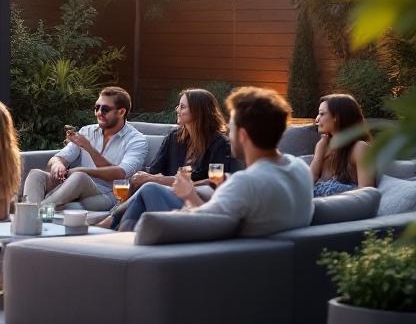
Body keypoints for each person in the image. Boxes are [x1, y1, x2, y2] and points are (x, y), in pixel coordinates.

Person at [122, 86, 314, 236]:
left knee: (150, 190)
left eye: (231, 129)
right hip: (262, 258)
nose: (228, 135)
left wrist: (189, 195)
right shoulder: (299, 168)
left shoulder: (246, 183)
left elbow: (200, 227)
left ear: (243, 135)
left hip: (214, 262)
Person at [101, 88, 237, 229]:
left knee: (149, 188)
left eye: (182, 106)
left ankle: (112, 221)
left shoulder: (219, 144)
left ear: (198, 111)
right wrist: (148, 177)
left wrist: (164, 181)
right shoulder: (174, 138)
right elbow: (154, 170)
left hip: (195, 198)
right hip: (165, 193)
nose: (177, 110)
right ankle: (120, 229)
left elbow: (216, 182)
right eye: (178, 105)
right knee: (142, 183)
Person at [22, 87, 148, 211]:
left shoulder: (136, 140)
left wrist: (88, 149)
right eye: (96, 108)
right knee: (36, 175)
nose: (99, 113)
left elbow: (120, 173)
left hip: (106, 193)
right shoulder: (87, 131)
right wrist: (58, 164)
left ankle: (36, 212)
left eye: (105, 109)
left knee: (80, 177)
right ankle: (31, 216)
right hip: (72, 185)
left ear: (121, 112)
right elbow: (59, 157)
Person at [311, 94, 374, 196]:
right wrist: (319, 155)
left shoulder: (359, 148)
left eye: (322, 114)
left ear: (337, 117)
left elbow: (367, 193)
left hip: (342, 208)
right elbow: (308, 183)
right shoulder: (323, 146)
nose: (317, 119)